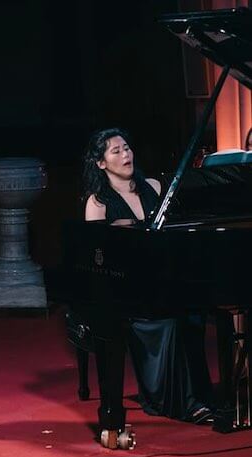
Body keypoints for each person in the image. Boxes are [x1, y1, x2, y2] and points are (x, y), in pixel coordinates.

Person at [83, 127, 215, 423]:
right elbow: (95, 256)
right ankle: (180, 402)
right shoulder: (97, 202)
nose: (125, 154)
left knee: (194, 313)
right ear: (101, 163)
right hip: (124, 287)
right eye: (115, 151)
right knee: (169, 319)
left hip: (161, 279)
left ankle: (202, 395)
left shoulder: (154, 187)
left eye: (127, 148)